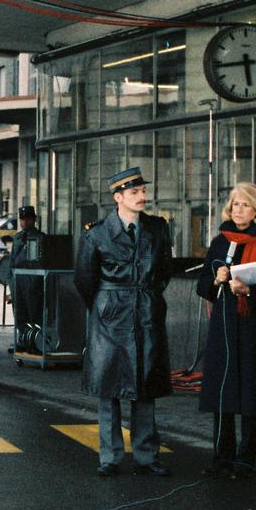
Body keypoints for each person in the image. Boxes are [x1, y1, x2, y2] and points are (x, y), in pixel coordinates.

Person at [74, 167, 173, 478]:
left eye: (143, 191)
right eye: (134, 192)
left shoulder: (157, 228)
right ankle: (110, 457)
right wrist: (106, 307)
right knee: (109, 389)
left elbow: (164, 271)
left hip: (145, 313)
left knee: (145, 385)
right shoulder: (97, 233)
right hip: (110, 319)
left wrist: (145, 298)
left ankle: (146, 456)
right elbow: (84, 279)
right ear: (118, 198)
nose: (142, 197)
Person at [197, 182, 256, 479]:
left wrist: (249, 290)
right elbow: (202, 285)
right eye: (235, 204)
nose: (239, 210)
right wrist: (216, 279)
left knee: (251, 394)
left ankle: (245, 460)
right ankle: (221, 458)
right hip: (224, 327)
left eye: (246, 205)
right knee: (222, 391)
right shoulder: (220, 241)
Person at [8, 206, 47, 334]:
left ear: (34, 220)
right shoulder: (18, 238)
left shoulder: (40, 238)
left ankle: (35, 340)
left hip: (33, 281)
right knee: (19, 314)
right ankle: (22, 339)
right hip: (18, 280)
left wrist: (35, 282)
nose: (25, 222)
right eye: (22, 219)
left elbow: (41, 262)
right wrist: (10, 282)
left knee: (34, 315)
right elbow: (12, 261)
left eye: (28, 219)